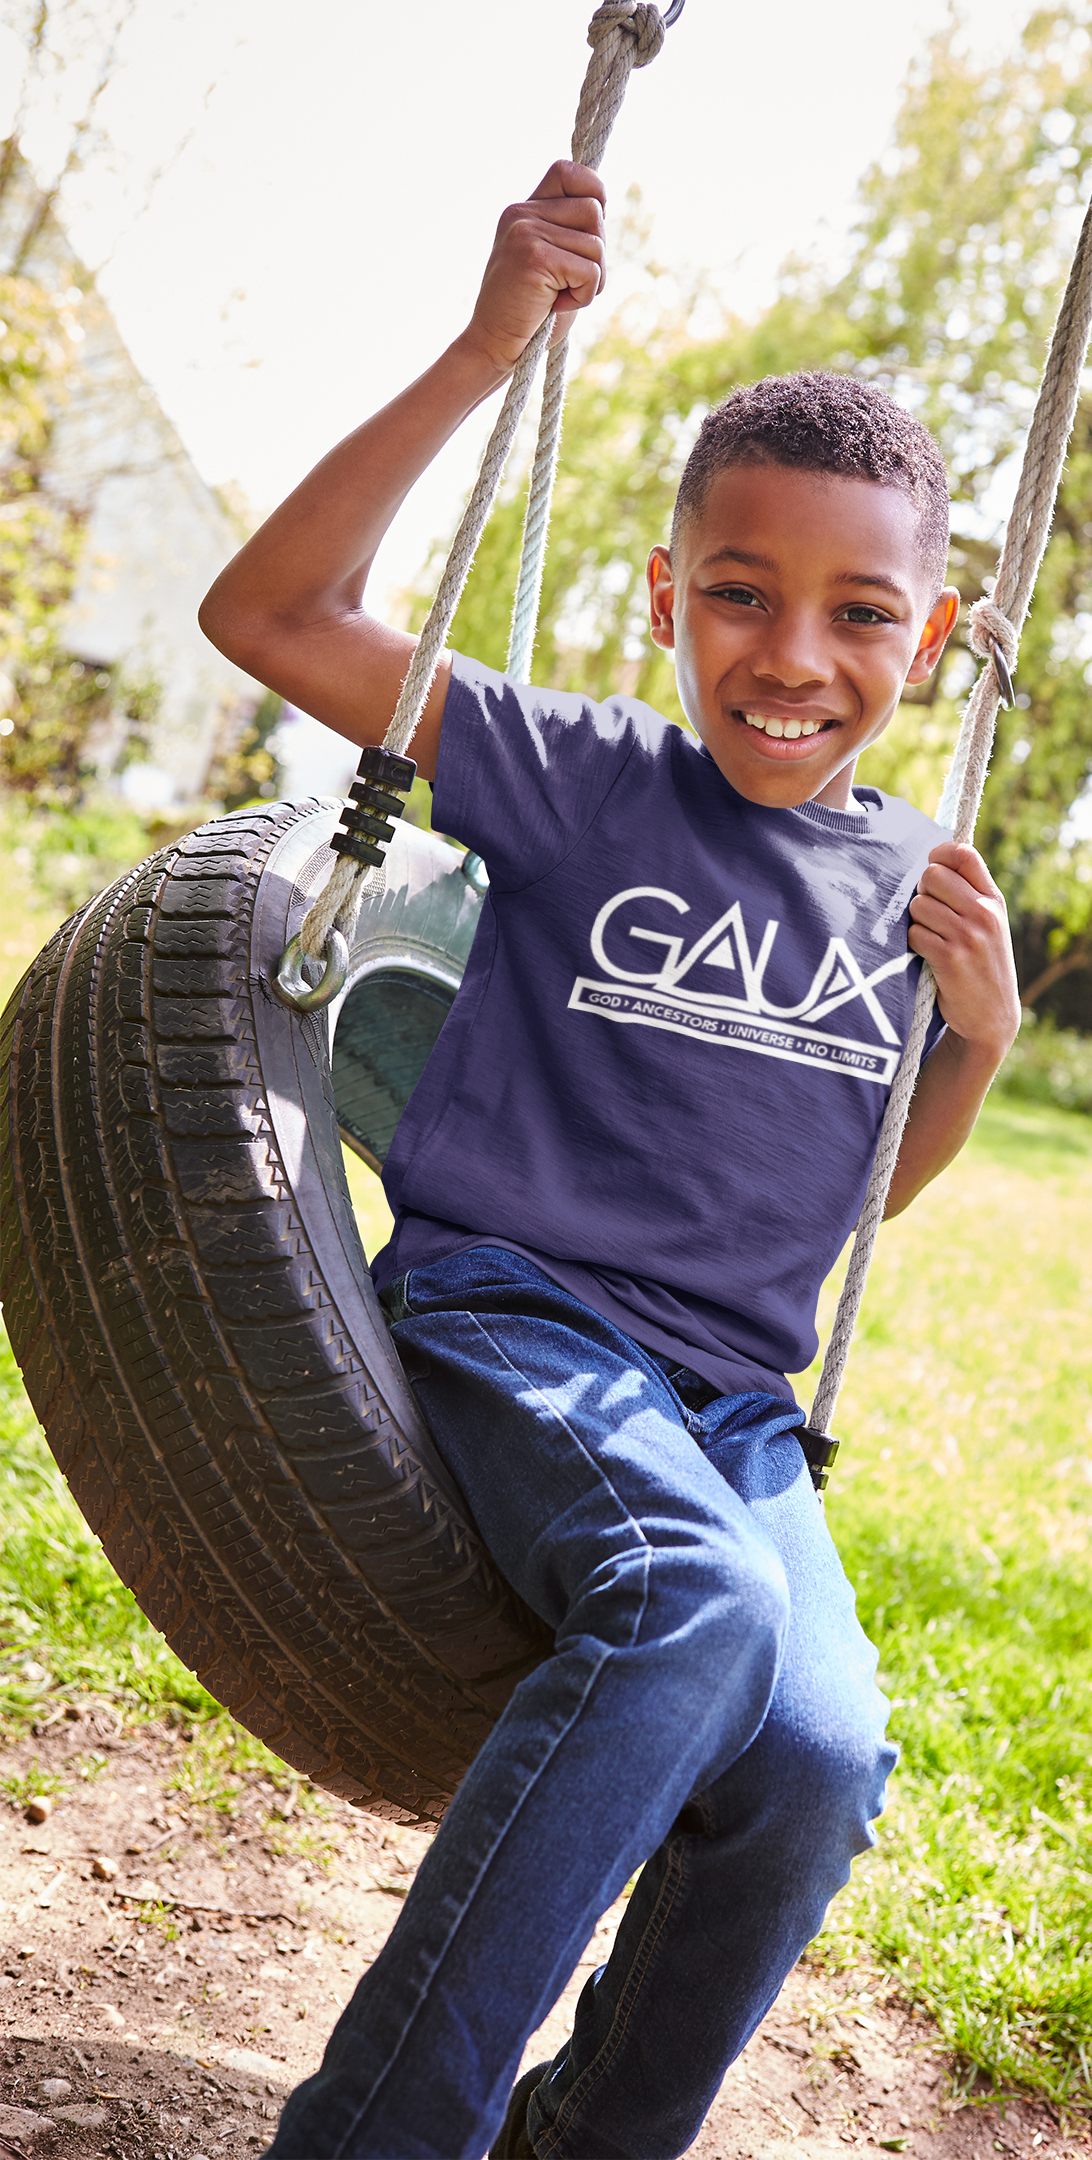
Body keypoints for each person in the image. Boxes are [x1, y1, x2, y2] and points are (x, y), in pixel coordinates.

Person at [200, 157, 1021, 2160]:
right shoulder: (578, 776)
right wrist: (488, 351)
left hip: (741, 1412)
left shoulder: (922, 878)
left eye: (860, 613)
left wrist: (980, 1046)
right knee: (692, 1609)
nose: (791, 656)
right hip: (521, 1315)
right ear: (669, 596)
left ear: (936, 635)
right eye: (737, 594)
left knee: (825, 1760)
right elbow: (271, 612)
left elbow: (839, 1202)